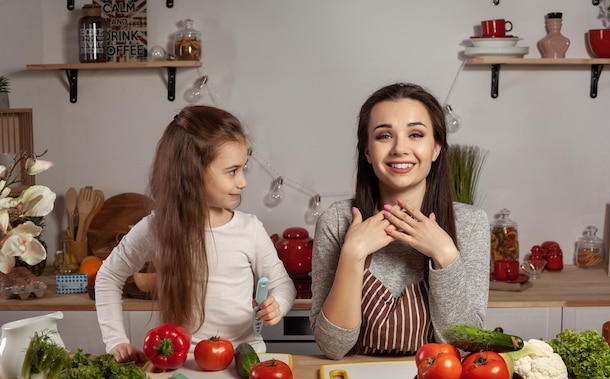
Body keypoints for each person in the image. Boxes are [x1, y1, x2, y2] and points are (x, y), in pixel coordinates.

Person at [95, 105, 296, 363]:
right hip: (181, 364)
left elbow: (283, 284)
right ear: (192, 172)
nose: (243, 181)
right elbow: (108, 276)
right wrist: (116, 341)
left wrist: (277, 303)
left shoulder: (250, 229)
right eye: (233, 171)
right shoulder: (157, 227)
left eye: (243, 169)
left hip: (243, 360)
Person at [310, 83, 489, 360]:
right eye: (384, 136)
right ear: (367, 151)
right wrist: (353, 254)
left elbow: (466, 346)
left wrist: (445, 255)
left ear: (436, 148)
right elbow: (333, 347)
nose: (400, 148)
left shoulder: (470, 223)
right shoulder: (336, 220)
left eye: (416, 134)